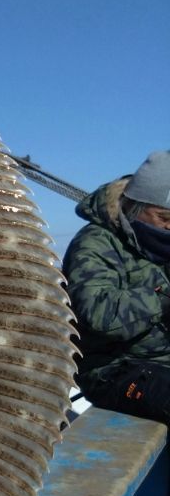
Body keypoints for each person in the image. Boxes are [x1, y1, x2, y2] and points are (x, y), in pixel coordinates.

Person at [63, 150, 170, 424]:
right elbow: (98, 315)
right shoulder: (94, 244)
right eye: (164, 218)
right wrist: (161, 297)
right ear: (134, 206)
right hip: (114, 371)